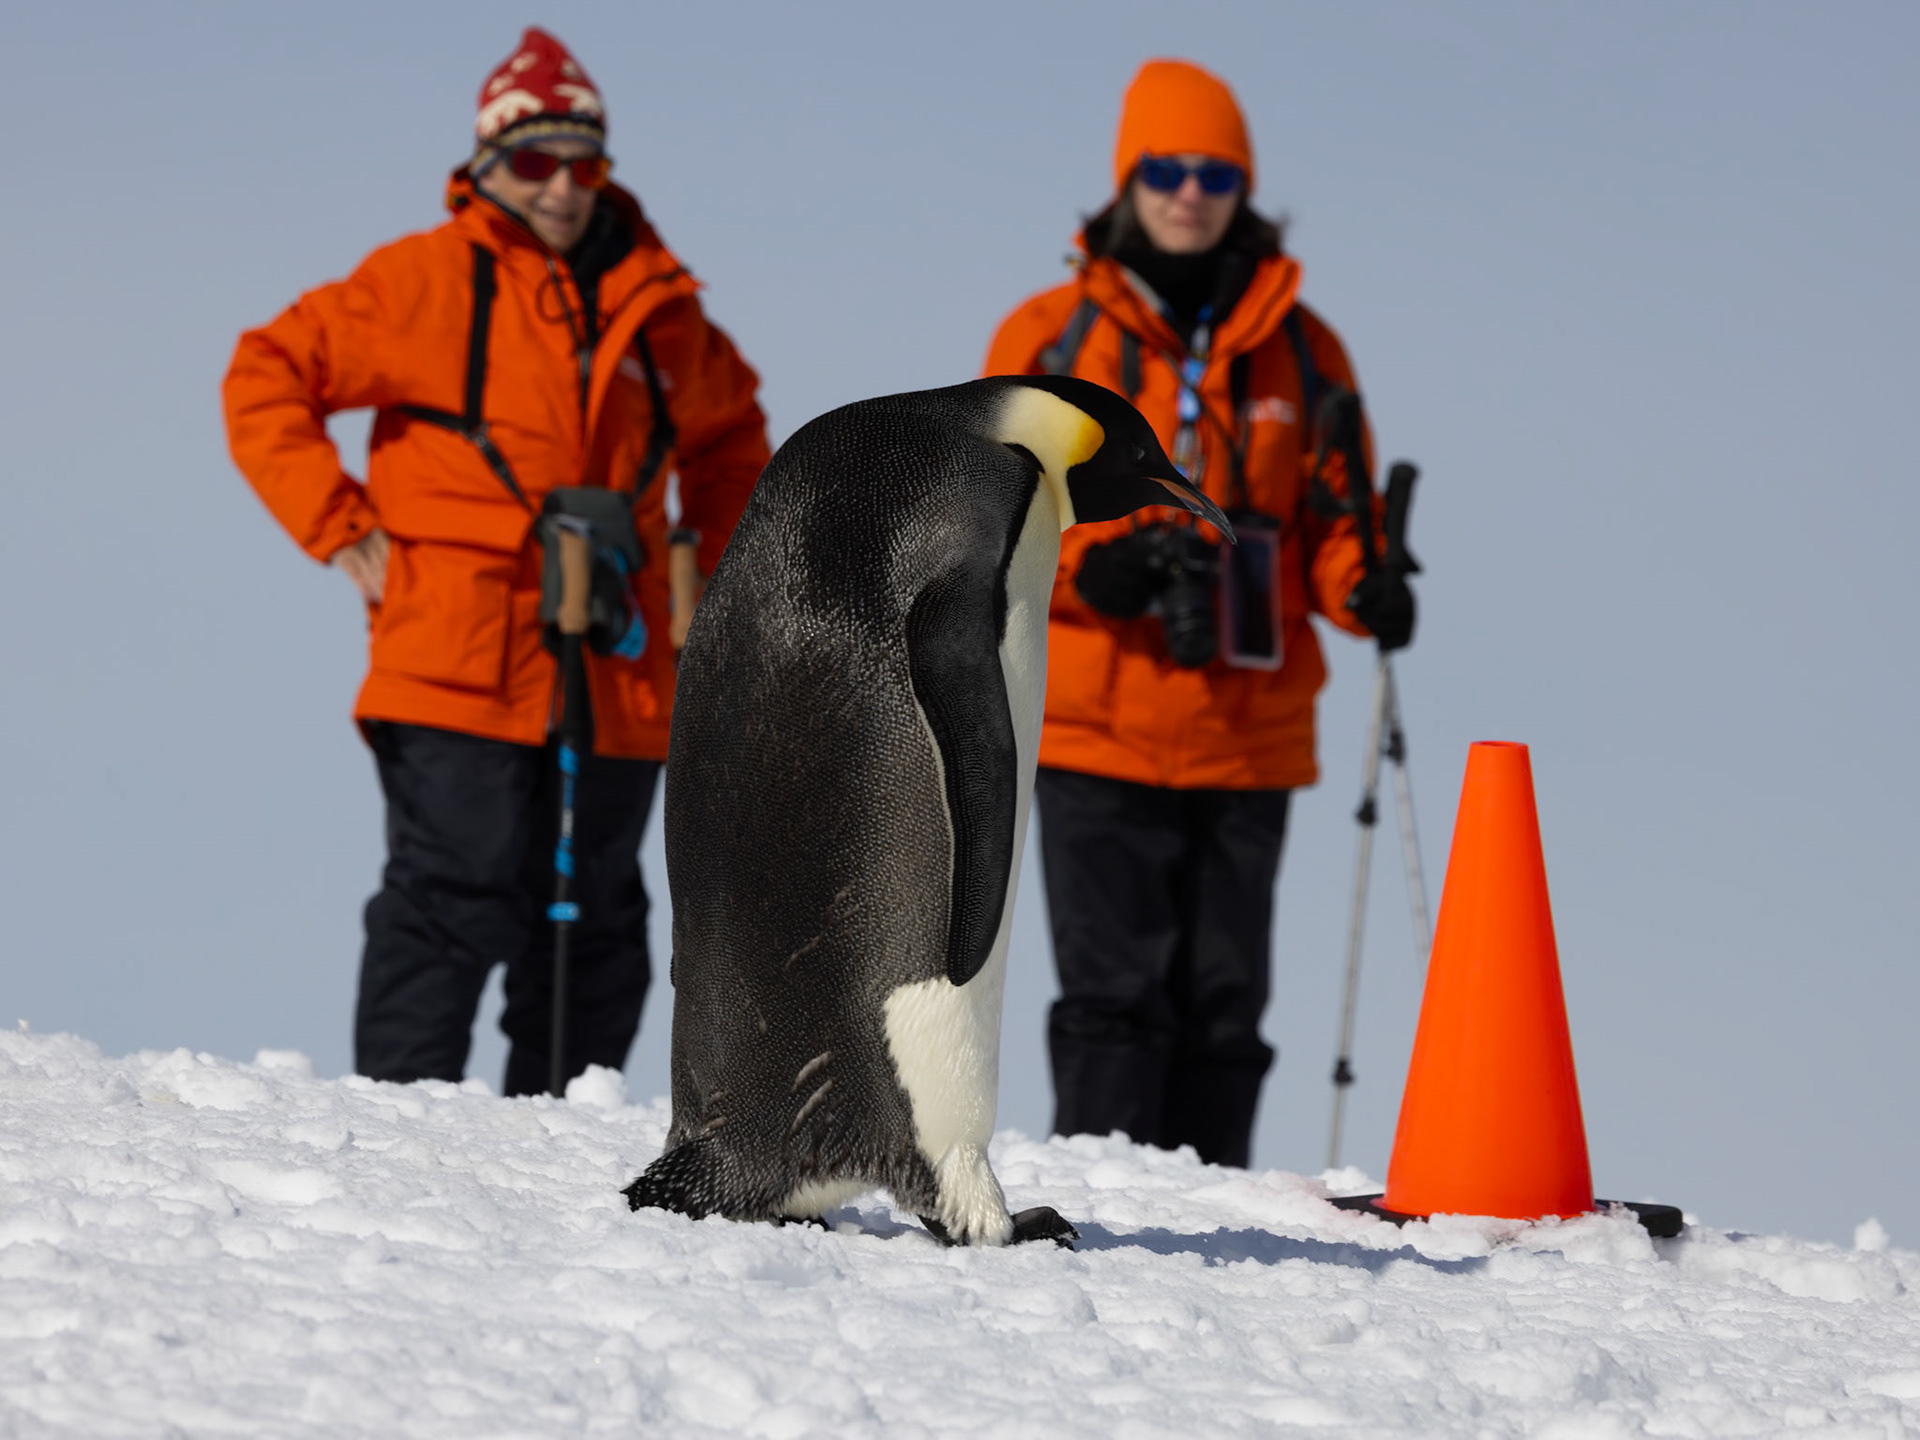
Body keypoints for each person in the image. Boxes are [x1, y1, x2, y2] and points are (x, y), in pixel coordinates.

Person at [224, 28, 770, 1095]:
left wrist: (709, 570)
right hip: (454, 662)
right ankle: (397, 1136)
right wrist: (337, 522)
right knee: (453, 892)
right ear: (487, 165)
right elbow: (265, 374)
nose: (562, 187)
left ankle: (563, 1149)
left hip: (619, 662)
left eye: (584, 162)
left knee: (600, 918)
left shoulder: (663, 310)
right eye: (534, 160)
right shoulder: (419, 283)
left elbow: (734, 438)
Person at [982, 59, 1416, 1167]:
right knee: (1115, 995)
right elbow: (981, 525)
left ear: (1245, 186)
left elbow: (1333, 526)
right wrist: (1104, 571)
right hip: (1094, 723)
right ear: (1128, 182)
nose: (1190, 192)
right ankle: (1113, 1218)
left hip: (1247, 735)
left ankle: (1218, 1226)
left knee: (1225, 1009)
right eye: (1165, 169)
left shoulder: (1308, 352)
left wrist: (1365, 589)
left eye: (1215, 172)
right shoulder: (1048, 341)